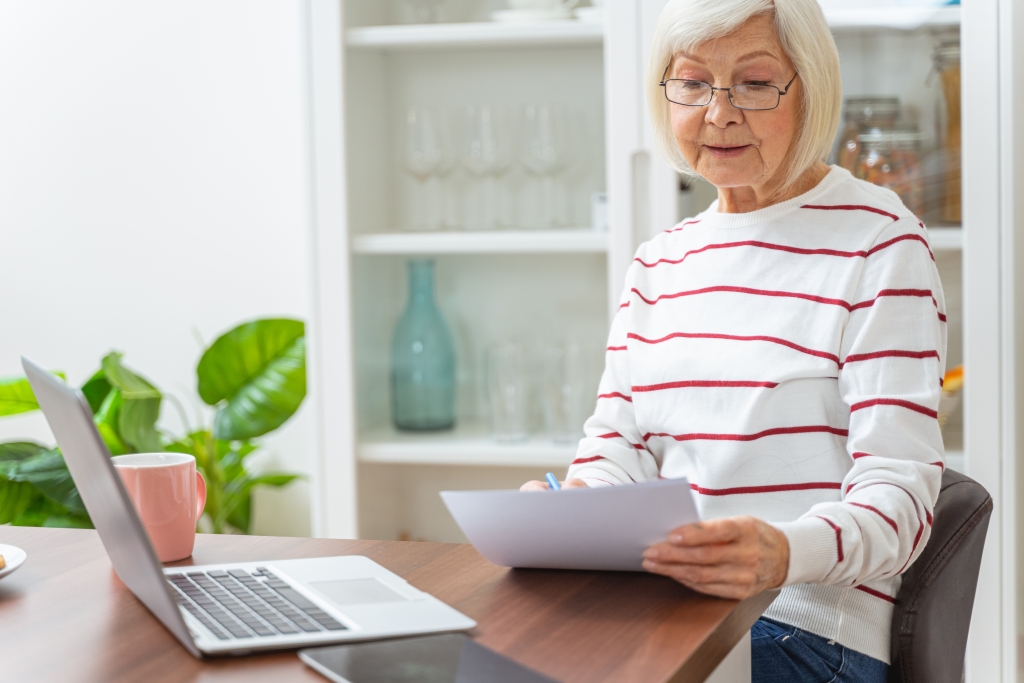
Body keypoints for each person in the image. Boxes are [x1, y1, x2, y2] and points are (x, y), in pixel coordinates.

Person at [521, 1, 945, 680]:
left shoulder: (878, 240)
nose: (718, 113)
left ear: (811, 87)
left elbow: (901, 500)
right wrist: (567, 510)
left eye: (753, 83)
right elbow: (615, 453)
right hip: (666, 612)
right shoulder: (660, 262)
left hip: (804, 630)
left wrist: (783, 551)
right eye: (692, 82)